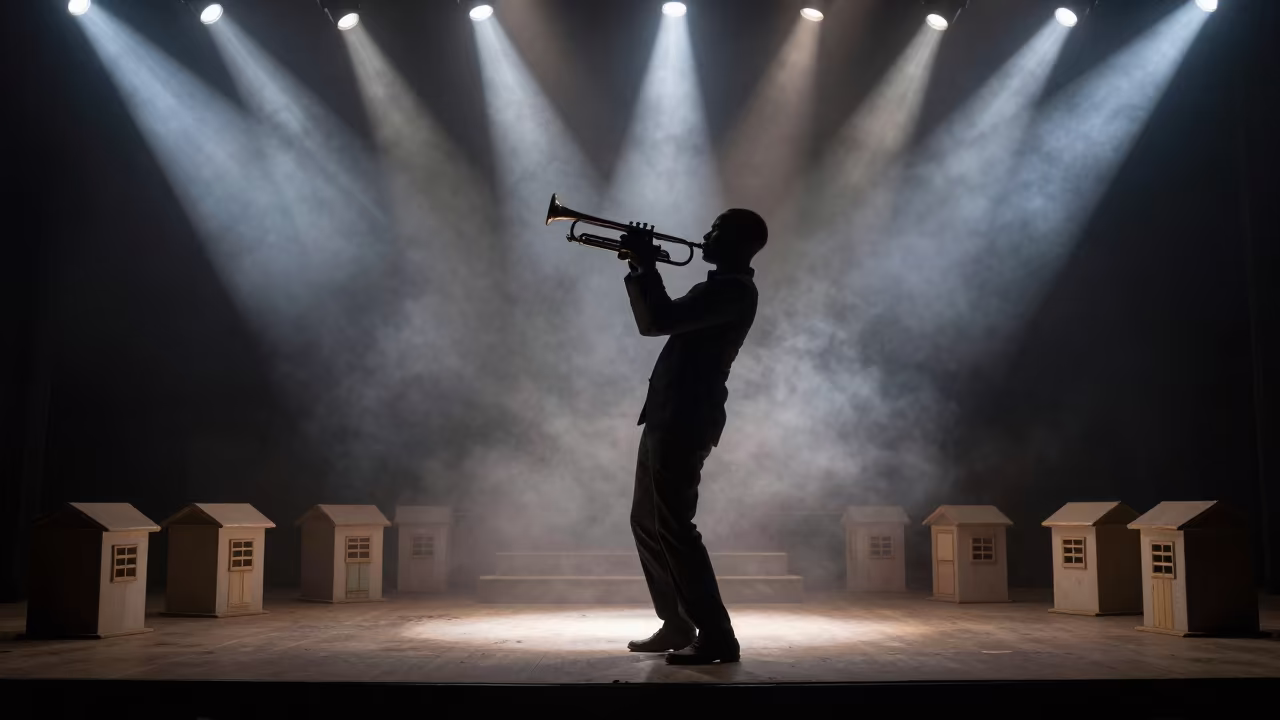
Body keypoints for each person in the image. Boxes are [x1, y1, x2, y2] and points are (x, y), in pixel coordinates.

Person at [617, 209, 768, 665]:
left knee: (676, 528)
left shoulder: (734, 291)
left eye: (716, 230)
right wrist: (642, 268)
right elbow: (657, 320)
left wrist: (646, 266)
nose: (705, 235)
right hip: (667, 414)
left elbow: (657, 320)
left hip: (684, 418)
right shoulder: (721, 287)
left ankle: (718, 636)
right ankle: (678, 622)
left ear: (739, 242)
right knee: (647, 521)